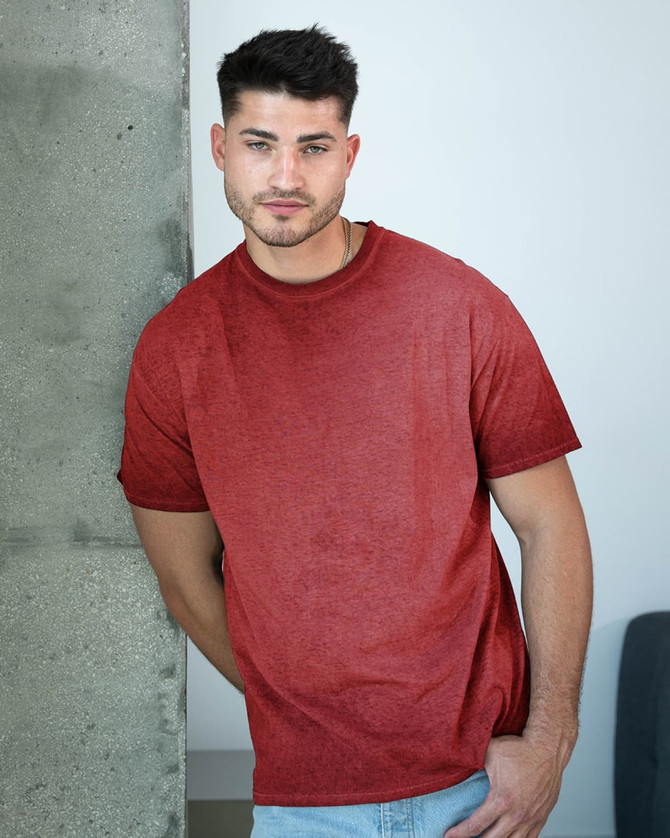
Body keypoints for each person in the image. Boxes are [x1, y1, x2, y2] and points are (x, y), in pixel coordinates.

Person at [118, 25, 592, 838]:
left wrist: (549, 740)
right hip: (302, 806)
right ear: (219, 146)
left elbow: (550, 523)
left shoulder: (460, 308)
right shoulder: (176, 350)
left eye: (314, 146)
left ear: (351, 153)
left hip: (480, 791)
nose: (286, 176)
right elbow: (185, 580)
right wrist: (302, 708)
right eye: (260, 144)